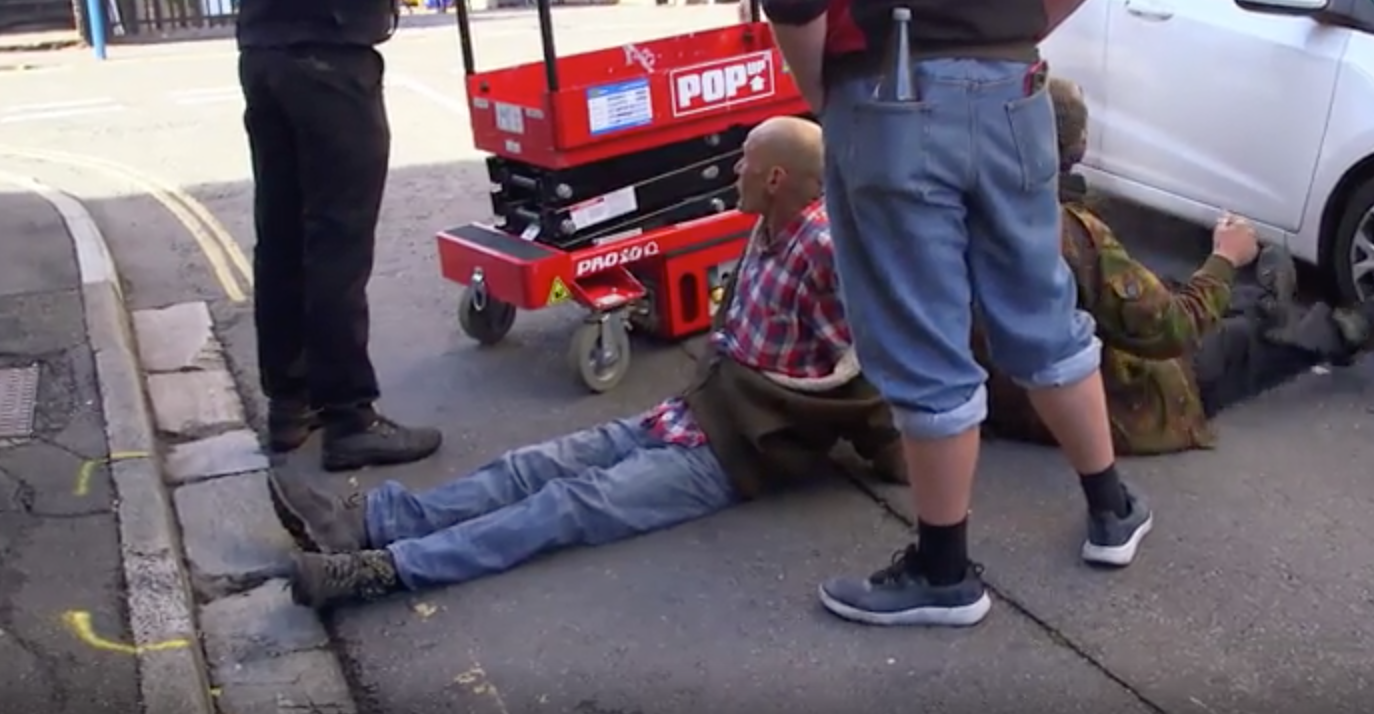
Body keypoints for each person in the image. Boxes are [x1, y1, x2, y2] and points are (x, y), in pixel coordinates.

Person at [266, 117, 906, 611]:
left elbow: (871, 363)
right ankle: (368, 523)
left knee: (567, 506)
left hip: (730, 455)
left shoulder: (824, 248)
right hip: (690, 416)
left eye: (746, 161)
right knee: (530, 466)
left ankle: (381, 571)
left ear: (775, 179)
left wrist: (907, 455)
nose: (734, 169)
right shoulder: (770, 224)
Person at [763, 0, 1136, 628]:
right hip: (1011, 83)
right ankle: (1112, 508)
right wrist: (1009, 28)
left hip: (887, 87)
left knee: (920, 333)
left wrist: (824, 94)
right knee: (1041, 310)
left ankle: (943, 573)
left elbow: (797, 6)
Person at [979, 78, 1374, 454]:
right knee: (1247, 343)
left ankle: (1262, 301)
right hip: (1112, 402)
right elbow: (1171, 330)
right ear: (1074, 147)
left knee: (1174, 288)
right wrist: (1225, 257)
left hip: (1004, 400)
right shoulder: (1067, 232)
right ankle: (1348, 329)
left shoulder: (970, 205)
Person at [237, 0, 443, 472]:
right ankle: (349, 419)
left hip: (263, 48)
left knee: (282, 236)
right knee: (338, 243)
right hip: (330, 47)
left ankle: (291, 404)